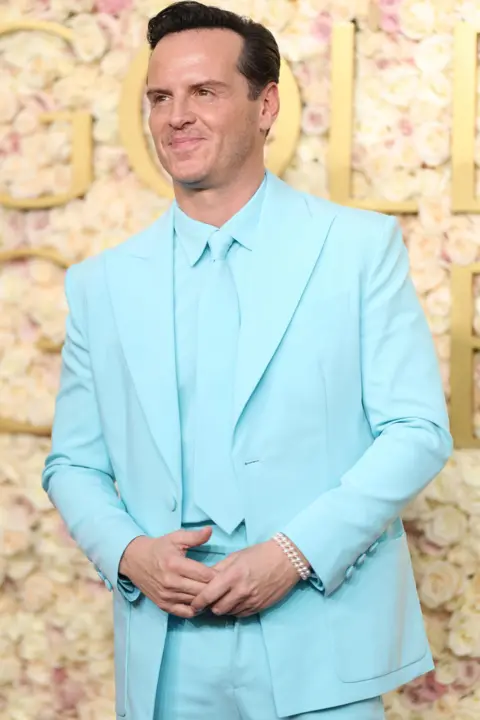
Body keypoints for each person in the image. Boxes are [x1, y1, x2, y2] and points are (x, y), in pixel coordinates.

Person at [42, 2, 453, 719]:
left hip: (323, 640)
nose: (178, 117)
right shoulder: (101, 283)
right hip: (165, 655)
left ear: (267, 106)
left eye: (205, 92)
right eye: (161, 97)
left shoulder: (358, 250)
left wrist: (293, 554)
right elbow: (72, 464)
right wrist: (131, 553)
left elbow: (418, 431)